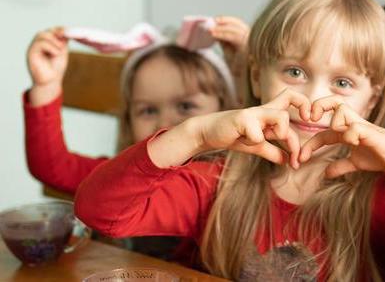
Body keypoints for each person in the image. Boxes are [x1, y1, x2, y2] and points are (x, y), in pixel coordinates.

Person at [74, 0, 385, 282]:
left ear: (372, 98)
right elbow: (100, 211)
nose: (312, 99)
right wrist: (196, 134)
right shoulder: (217, 181)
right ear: (257, 76)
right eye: (294, 72)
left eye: (343, 83)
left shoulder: (382, 197)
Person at [23, 16, 248, 261]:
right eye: (148, 110)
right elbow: (52, 167)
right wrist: (46, 86)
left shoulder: (234, 183)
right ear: (129, 121)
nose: (164, 124)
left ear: (226, 108)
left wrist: (250, 64)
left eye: (185, 106)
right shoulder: (119, 180)